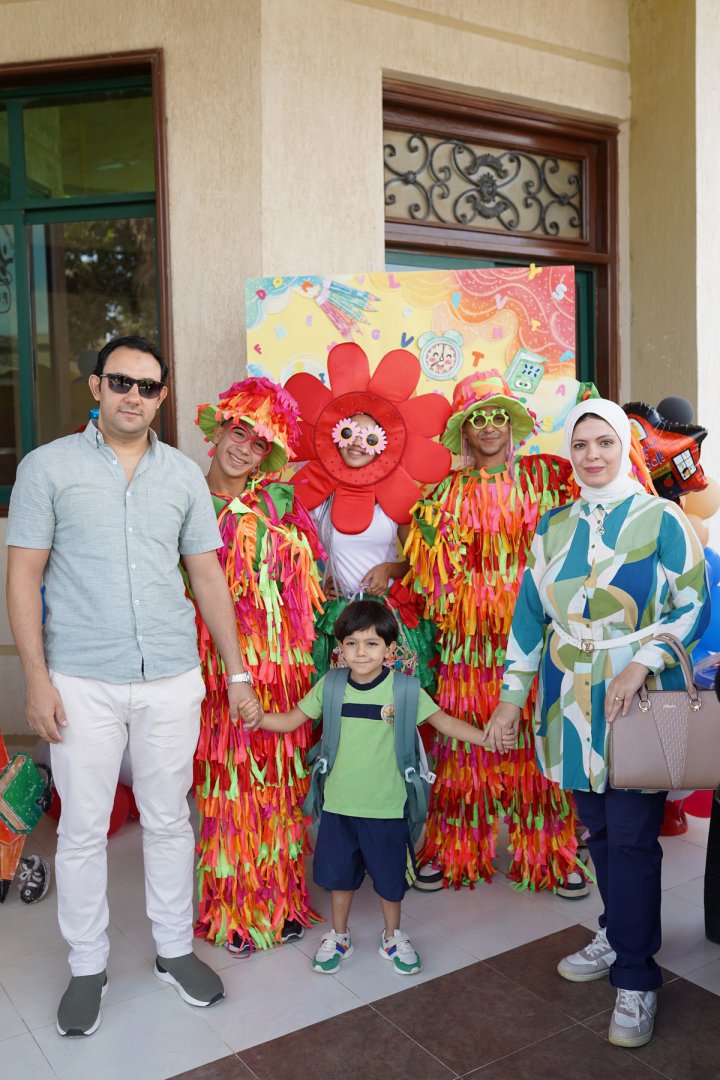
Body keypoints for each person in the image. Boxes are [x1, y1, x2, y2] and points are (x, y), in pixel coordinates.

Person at [5, 335, 261, 1038]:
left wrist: (236, 670)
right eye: (121, 382)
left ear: (162, 398)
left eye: (148, 387)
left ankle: (174, 951)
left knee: (170, 819)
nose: (134, 396)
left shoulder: (181, 476)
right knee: (82, 830)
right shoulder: (46, 467)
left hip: (171, 676)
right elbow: (23, 576)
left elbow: (207, 576)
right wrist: (35, 680)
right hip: (80, 677)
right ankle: (88, 966)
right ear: (96, 387)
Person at [487, 398, 709, 1048]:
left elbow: (692, 603)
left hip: (635, 697)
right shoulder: (553, 526)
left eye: (604, 442)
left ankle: (636, 977)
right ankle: (617, 931)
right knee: (602, 832)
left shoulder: (662, 518)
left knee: (635, 837)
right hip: (568, 702)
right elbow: (529, 616)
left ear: (624, 447)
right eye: (580, 444)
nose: (592, 455)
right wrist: (511, 696)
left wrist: (642, 663)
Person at [404, 371, 586, 896]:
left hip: (536, 626)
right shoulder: (445, 491)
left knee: (534, 736)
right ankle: (456, 848)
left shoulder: (545, 476)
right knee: (466, 742)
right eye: (478, 418)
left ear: (511, 423)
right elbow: (431, 575)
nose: (489, 426)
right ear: (464, 430)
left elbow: (596, 495)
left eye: (498, 416)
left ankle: (550, 851)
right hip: (469, 639)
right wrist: (427, 539)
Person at [246, 600, 495, 976]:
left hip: (388, 808)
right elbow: (292, 720)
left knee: (390, 880)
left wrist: (486, 739)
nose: (361, 652)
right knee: (339, 878)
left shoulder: (405, 690)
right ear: (340, 648)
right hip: (338, 807)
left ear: (390, 649)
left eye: (372, 643)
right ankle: (339, 935)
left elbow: (443, 723)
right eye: (352, 643)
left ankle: (393, 936)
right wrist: (257, 718)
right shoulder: (330, 686)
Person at [192, 377, 325, 955]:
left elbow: (306, 585)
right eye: (239, 432)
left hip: (283, 667)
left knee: (280, 785)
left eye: (259, 442)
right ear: (219, 430)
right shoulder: (188, 500)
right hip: (218, 666)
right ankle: (234, 910)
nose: (244, 448)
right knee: (230, 786)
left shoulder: (281, 503)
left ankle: (283, 900)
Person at [285, 342, 451, 689]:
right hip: (339, 617)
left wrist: (390, 568)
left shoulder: (397, 498)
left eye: (370, 437)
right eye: (349, 432)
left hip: (385, 617)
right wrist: (318, 581)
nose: (358, 443)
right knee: (340, 702)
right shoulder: (318, 498)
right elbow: (296, 554)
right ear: (335, 437)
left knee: (389, 703)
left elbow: (420, 563)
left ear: (383, 445)